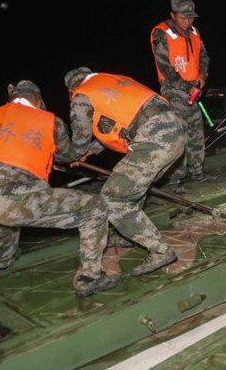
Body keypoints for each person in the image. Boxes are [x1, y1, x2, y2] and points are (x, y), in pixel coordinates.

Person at [0, 80, 122, 298]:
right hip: (15, 199)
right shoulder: (49, 121)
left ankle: (1, 266)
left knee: (1, 215)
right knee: (94, 208)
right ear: (38, 101)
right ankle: (90, 278)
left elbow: (6, 144)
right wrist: (92, 148)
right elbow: (68, 155)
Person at [65, 67, 184, 275]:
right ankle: (129, 233)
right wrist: (90, 152)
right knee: (131, 188)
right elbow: (115, 123)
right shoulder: (113, 80)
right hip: (174, 131)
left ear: (71, 88)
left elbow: (80, 139)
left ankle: (160, 250)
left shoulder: (81, 96)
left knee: (113, 199)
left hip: (152, 140)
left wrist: (73, 154)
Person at [150, 0, 215, 191]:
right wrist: (188, 87)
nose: (188, 21)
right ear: (172, 15)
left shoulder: (194, 32)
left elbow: (204, 57)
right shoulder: (160, 33)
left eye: (191, 17)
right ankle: (175, 180)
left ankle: (197, 172)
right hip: (173, 91)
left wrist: (203, 75)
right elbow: (165, 67)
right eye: (183, 17)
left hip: (193, 91)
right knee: (179, 134)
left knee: (196, 131)